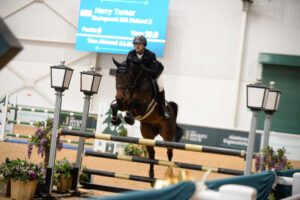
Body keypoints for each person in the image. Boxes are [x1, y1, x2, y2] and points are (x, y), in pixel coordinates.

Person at [126, 35, 170, 120]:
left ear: (144, 45)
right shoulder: (131, 54)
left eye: (139, 44)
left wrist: (142, 67)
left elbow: (153, 71)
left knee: (160, 86)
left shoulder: (151, 55)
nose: (137, 46)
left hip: (152, 74)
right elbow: (128, 68)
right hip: (136, 77)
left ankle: (163, 109)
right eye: (135, 44)